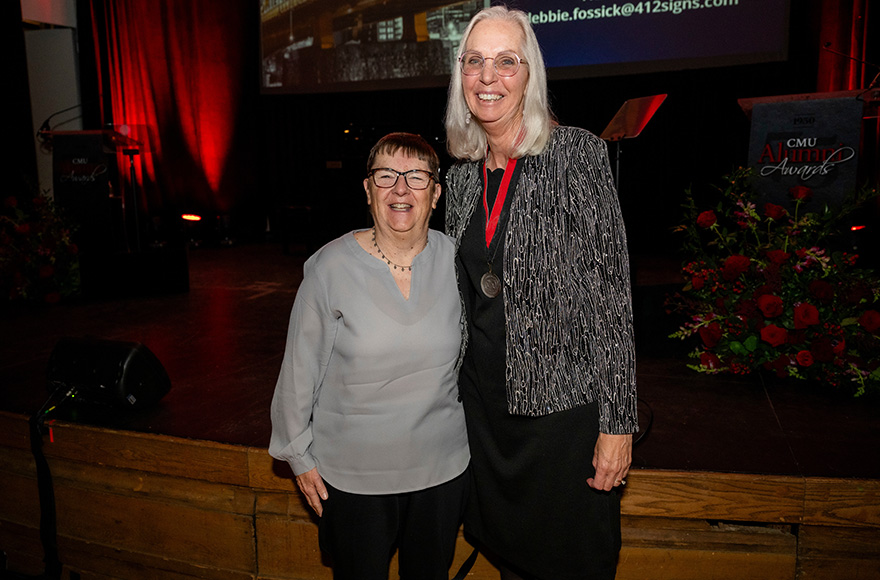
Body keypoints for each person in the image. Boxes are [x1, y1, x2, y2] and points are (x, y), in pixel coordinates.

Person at [443, 7, 638, 580]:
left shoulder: (576, 154)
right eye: (475, 61)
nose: (488, 77)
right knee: (509, 560)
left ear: (530, 75)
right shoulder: (458, 177)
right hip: (485, 413)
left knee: (570, 561)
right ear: (460, 75)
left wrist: (617, 423)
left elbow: (612, 297)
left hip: (561, 419)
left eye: (507, 62)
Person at [269, 133, 469, 580]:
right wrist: (298, 455)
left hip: (441, 471)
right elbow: (299, 371)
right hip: (355, 478)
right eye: (386, 176)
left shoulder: (459, 262)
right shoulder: (329, 268)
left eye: (416, 177)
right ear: (367, 189)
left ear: (436, 193)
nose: (401, 189)